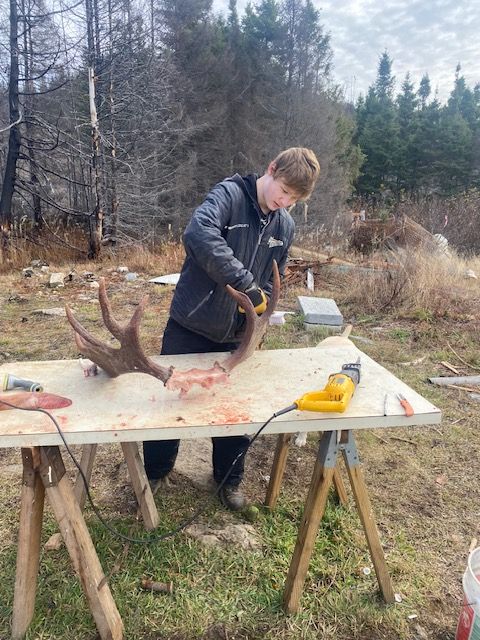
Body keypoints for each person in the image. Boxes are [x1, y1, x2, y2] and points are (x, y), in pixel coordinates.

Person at [143, 147, 321, 510]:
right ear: (271, 169)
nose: (283, 201)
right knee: (170, 401)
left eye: (292, 198)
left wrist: (261, 317)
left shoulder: (284, 224)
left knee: (236, 411)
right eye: (282, 190)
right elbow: (198, 233)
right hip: (191, 322)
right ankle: (155, 473)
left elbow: (274, 281)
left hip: (238, 335)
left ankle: (229, 480)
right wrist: (244, 283)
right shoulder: (230, 195)